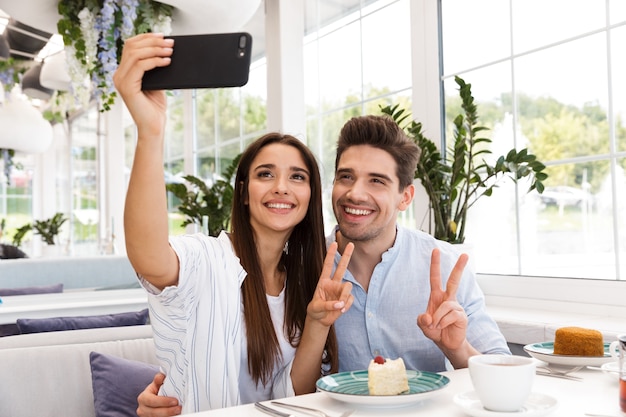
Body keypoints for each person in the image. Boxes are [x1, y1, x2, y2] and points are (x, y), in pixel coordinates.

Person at [113, 33, 355, 414]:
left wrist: (316, 323)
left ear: (310, 197)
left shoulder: (303, 280)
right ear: (243, 193)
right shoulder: (206, 260)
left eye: (297, 177)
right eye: (265, 174)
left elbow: (294, 393)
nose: (281, 188)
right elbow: (149, 257)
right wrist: (151, 131)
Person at [329, 114, 510, 374]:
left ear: (405, 197)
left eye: (377, 181)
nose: (355, 193)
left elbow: (501, 371)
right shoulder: (301, 265)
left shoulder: (444, 264)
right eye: (346, 177)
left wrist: (456, 350)